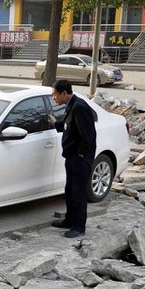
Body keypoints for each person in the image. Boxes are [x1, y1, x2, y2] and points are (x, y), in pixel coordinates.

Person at [49, 79, 97, 239]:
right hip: (71, 157)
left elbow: (88, 136)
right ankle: (69, 220)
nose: (54, 98)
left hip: (79, 159)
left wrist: (82, 156)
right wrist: (56, 124)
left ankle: (78, 226)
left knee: (78, 192)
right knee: (69, 191)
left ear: (64, 93)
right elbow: (70, 126)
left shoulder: (80, 107)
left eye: (55, 95)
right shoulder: (71, 106)